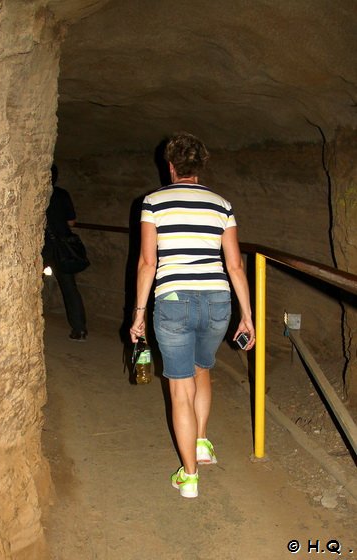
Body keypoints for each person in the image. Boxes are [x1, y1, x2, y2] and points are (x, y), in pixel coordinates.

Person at [130, 132, 255, 498]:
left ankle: (189, 477)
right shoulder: (222, 205)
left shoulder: (153, 202)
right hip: (217, 302)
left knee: (179, 388)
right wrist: (247, 316)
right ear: (201, 166)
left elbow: (148, 261)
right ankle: (202, 442)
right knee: (203, 370)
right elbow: (234, 265)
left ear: (170, 166)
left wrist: (138, 314)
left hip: (173, 301)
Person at [43, 164, 88, 341]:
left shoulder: (38, 194)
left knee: (31, 286)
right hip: (61, 249)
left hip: (43, 247)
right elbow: (71, 222)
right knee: (69, 288)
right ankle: (80, 329)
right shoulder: (62, 194)